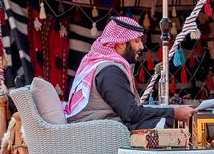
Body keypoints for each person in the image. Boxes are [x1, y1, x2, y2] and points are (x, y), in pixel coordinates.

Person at [63, 16, 196, 129]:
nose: (141, 47)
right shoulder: (109, 71)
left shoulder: (103, 65)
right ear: (120, 44)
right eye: (136, 41)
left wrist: (170, 111)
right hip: (99, 133)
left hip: (101, 128)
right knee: (163, 123)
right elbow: (131, 114)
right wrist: (173, 113)